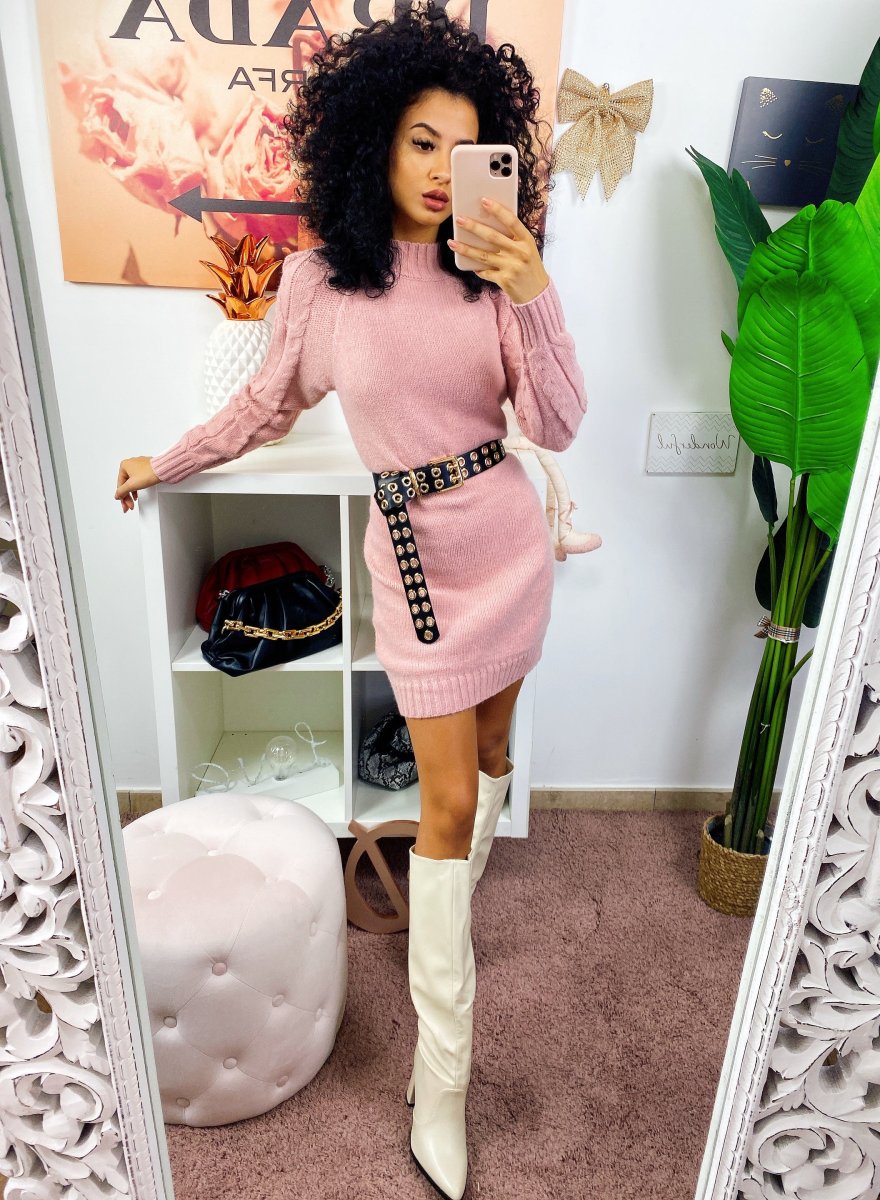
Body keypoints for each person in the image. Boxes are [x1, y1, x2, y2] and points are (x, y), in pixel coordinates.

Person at [114, 3, 588, 1195]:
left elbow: (559, 422)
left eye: (466, 148)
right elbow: (261, 406)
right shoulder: (321, 284)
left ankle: (458, 897)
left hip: (507, 546)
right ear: (372, 139)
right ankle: (445, 1075)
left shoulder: (495, 275)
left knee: (491, 755)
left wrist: (534, 287)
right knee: (442, 801)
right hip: (416, 570)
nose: (440, 168)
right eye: (421, 141)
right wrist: (166, 461)